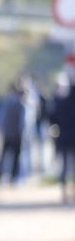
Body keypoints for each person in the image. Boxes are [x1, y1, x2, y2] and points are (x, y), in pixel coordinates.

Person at [0, 81, 28, 185]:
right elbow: (22, 121)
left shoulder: (5, 102)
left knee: (4, 156)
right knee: (15, 156)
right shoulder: (19, 103)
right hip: (16, 134)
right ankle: (13, 177)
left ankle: (0, 177)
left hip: (7, 133)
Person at [52, 71, 75, 203]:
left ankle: (65, 192)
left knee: (65, 166)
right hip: (70, 138)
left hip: (64, 138)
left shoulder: (62, 102)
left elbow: (54, 118)